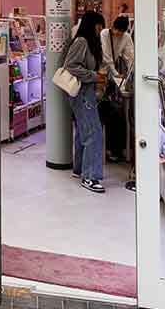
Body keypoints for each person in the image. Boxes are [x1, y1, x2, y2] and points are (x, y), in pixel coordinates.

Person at [64, 11, 106, 193]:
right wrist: (94, 76)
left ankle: (80, 168)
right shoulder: (81, 41)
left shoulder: (89, 42)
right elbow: (70, 66)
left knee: (84, 131)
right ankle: (90, 177)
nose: (100, 30)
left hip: (86, 92)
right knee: (94, 133)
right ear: (92, 25)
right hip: (81, 93)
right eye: (99, 26)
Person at [99, 16, 135, 163]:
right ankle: (109, 149)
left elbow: (130, 56)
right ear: (112, 27)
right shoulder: (105, 34)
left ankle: (116, 149)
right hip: (101, 75)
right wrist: (115, 73)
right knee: (109, 111)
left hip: (113, 78)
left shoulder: (126, 37)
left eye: (121, 31)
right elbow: (106, 57)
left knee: (116, 112)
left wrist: (131, 71)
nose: (118, 34)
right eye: (116, 30)